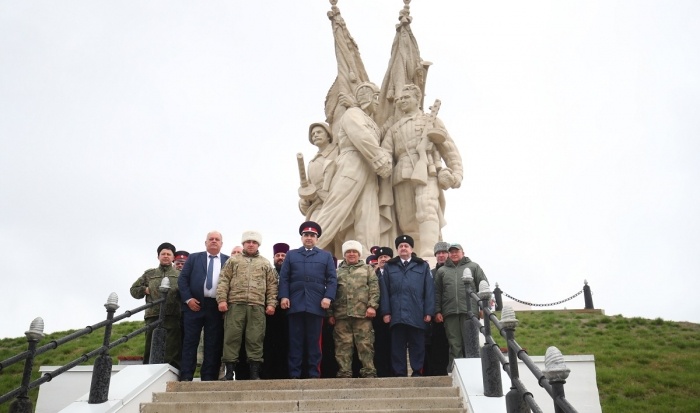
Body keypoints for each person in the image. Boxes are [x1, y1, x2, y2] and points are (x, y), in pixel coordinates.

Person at [381, 84, 464, 257]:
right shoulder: (394, 129)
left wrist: (456, 174)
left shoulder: (430, 120)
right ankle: (414, 256)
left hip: (427, 169)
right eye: (400, 99)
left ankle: (429, 251)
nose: (402, 101)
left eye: (406, 97)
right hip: (401, 174)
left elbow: (449, 149)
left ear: (417, 99)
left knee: (427, 207)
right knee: (407, 220)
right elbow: (386, 153)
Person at [315, 82, 392, 258]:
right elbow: (361, 137)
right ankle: (311, 247)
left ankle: (368, 255)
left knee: (368, 213)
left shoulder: (370, 121)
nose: (378, 101)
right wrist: (380, 158)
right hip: (352, 162)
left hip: (369, 168)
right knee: (336, 207)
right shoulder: (353, 113)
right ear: (367, 97)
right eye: (376, 97)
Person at [278, 221, 337, 379]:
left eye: (312, 235)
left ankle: (313, 374)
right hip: (295, 303)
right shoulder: (291, 255)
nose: (309, 238)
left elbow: (332, 279)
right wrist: (284, 296)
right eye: (306, 235)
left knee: (314, 342)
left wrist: (328, 297)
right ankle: (294, 374)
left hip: (316, 304)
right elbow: (284, 278)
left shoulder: (325, 256)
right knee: (295, 341)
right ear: (302, 237)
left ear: (317, 238)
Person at [217, 231, 278, 380]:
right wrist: (222, 300)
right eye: (248, 242)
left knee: (255, 338)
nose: (251, 244)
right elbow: (223, 280)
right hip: (235, 304)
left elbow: (272, 285)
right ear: (243, 244)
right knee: (231, 337)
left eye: (254, 242)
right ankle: (229, 373)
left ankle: (254, 373)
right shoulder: (233, 261)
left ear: (258, 245)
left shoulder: (265, 263)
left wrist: (271, 303)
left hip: (257, 305)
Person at [379, 235, 435, 377]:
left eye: (406, 246)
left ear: (411, 248)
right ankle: (399, 373)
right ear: (397, 249)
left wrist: (428, 312)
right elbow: (384, 291)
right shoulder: (390, 266)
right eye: (400, 246)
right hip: (397, 313)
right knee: (397, 346)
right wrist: (386, 312)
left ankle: (417, 371)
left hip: (417, 312)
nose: (403, 248)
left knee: (417, 345)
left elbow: (429, 290)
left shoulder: (422, 265)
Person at [178, 231, 229, 381]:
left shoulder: (228, 260)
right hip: (194, 305)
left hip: (216, 307)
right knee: (190, 341)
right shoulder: (194, 258)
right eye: (210, 239)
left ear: (221, 244)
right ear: (205, 242)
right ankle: (186, 376)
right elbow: (183, 280)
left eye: (217, 239)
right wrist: (188, 299)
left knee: (213, 343)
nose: (214, 241)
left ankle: (209, 377)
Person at [328, 240, 379, 378]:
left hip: (362, 315)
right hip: (341, 315)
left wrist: (372, 306)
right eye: (348, 252)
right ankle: (344, 372)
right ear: (344, 255)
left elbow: (374, 289)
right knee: (342, 346)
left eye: (354, 252)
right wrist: (330, 313)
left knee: (365, 345)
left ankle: (368, 371)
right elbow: (331, 293)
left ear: (359, 254)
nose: (351, 254)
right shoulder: (336, 272)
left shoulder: (368, 269)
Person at [434, 243, 489, 372]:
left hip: (470, 312)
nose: (454, 254)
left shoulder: (474, 267)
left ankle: (475, 371)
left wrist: (483, 307)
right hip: (450, 313)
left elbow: (483, 285)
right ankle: (457, 373)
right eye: (451, 252)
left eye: (456, 251)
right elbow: (437, 292)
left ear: (462, 253)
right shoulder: (442, 271)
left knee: (471, 343)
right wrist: (437, 311)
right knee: (454, 344)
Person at [130, 242, 182, 368]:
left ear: (173, 257)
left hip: (173, 316)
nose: (166, 256)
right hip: (153, 316)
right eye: (163, 254)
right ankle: (148, 371)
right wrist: (145, 290)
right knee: (150, 347)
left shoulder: (179, 275)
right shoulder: (150, 274)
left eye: (168, 254)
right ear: (158, 256)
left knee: (172, 349)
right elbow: (133, 290)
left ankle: (171, 372)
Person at [299, 122, 339, 222]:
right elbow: (309, 187)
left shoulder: (338, 151)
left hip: (337, 202)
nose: (315, 135)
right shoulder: (312, 163)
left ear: (328, 136)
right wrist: (304, 201)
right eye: (313, 134)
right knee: (313, 229)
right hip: (318, 207)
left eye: (319, 132)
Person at [263, 242, 291, 379]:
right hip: (270, 312)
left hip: (288, 313)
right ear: (273, 258)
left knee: (287, 343)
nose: (280, 258)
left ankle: (285, 374)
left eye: (283, 255)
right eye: (277, 255)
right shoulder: (268, 272)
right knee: (269, 343)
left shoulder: (293, 273)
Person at [424, 241, 450, 376]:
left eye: (444, 252)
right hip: (436, 317)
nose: (441, 255)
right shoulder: (431, 273)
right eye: (438, 253)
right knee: (437, 346)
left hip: (451, 314)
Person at [372, 246, 393, 377]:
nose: (383, 259)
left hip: (394, 314)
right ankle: (380, 372)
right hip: (377, 315)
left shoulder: (396, 273)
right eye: (380, 257)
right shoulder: (373, 274)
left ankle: (393, 372)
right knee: (379, 344)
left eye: (386, 257)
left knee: (393, 344)